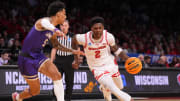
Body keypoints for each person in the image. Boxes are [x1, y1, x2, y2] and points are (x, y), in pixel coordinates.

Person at [11, 1, 84, 101]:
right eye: (64, 13)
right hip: (26, 58)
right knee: (35, 91)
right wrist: (55, 30)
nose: (66, 16)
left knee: (57, 75)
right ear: (58, 13)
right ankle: (18, 97)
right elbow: (44, 23)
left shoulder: (53, 30)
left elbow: (56, 45)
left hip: (38, 56)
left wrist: (73, 51)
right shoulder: (42, 22)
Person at [72, 16, 134, 101]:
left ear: (103, 28)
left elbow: (116, 50)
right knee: (113, 88)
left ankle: (104, 88)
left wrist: (128, 59)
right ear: (91, 29)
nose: (98, 30)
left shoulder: (108, 36)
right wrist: (76, 57)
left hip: (110, 63)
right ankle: (128, 99)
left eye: (100, 28)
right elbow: (73, 40)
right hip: (96, 68)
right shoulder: (85, 38)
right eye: (95, 28)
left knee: (119, 86)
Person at [51, 20, 76, 101]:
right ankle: (55, 98)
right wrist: (51, 62)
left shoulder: (72, 36)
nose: (64, 27)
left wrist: (76, 61)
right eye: (62, 25)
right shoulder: (56, 36)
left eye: (65, 25)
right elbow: (54, 49)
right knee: (56, 81)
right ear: (60, 27)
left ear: (68, 26)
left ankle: (68, 99)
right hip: (58, 60)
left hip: (69, 60)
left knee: (69, 82)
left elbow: (76, 49)